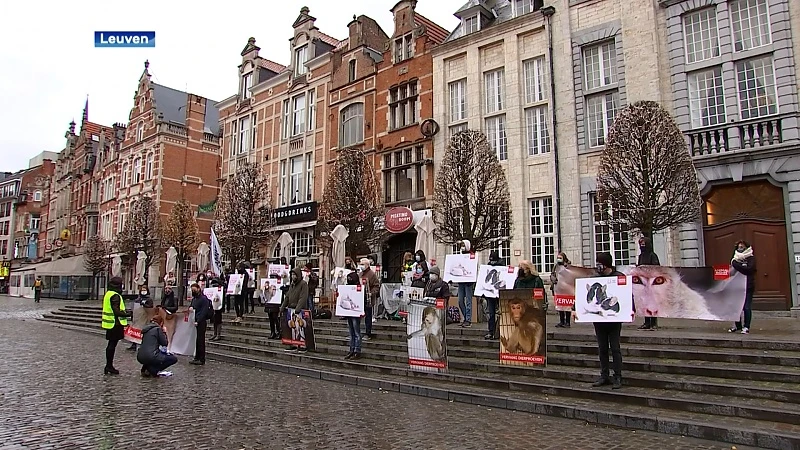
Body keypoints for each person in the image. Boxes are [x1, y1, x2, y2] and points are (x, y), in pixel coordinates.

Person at [576, 252, 628, 390]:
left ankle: (618, 376)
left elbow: (627, 296)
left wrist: (630, 309)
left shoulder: (618, 277)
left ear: (607, 264)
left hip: (614, 320)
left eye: (600, 263)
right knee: (602, 348)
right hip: (599, 320)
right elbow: (583, 296)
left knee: (615, 348)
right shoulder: (595, 279)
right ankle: (604, 375)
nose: (598, 266)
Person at [101, 277, 131, 375]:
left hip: (110, 323)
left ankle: (108, 365)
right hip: (115, 323)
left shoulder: (108, 294)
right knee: (112, 345)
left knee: (111, 345)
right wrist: (128, 314)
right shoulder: (115, 295)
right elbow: (116, 311)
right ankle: (109, 366)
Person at [729, 240, 756, 334]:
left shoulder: (751, 258)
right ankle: (737, 326)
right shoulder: (734, 258)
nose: (740, 248)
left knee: (746, 307)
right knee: (736, 307)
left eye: (742, 247)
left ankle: (746, 327)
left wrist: (737, 265)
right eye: (739, 247)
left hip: (748, 286)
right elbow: (731, 271)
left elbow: (748, 269)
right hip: (737, 286)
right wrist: (738, 265)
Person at [281, 267, 309, 352]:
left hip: (299, 310)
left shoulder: (303, 284)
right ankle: (295, 344)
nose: (293, 276)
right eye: (292, 275)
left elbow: (303, 297)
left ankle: (302, 345)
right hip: (291, 309)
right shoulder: (292, 284)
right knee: (293, 328)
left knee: (300, 327)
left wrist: (298, 308)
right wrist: (282, 306)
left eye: (294, 274)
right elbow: (288, 296)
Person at [637, 237, 661, 331]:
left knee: (652, 303)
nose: (642, 246)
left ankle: (654, 323)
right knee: (644, 303)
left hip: (651, 282)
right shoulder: (641, 256)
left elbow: (656, 267)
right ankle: (647, 322)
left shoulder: (652, 255)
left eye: (643, 244)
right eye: (641, 244)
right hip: (643, 283)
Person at [484, 250, 505, 340]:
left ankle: (501, 331)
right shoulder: (489, 266)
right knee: (491, 313)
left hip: (499, 293)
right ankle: (491, 331)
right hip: (490, 293)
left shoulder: (501, 266)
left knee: (501, 313)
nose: (491, 262)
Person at [344, 271, 364, 360]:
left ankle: (357, 350)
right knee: (352, 332)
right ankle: (352, 349)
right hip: (350, 312)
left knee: (356, 332)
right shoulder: (348, 287)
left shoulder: (359, 288)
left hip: (355, 313)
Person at [189, 283, 211, 365]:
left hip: (200, 322)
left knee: (200, 341)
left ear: (198, 289)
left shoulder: (204, 299)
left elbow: (204, 312)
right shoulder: (194, 299)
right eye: (192, 290)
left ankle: (201, 358)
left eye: (194, 290)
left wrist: (198, 320)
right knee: (196, 340)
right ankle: (196, 357)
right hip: (194, 321)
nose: (193, 291)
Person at [456, 239, 476, 328]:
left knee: (468, 301)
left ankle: (468, 319)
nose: (462, 247)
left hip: (468, 282)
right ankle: (465, 317)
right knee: (460, 301)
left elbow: (473, 268)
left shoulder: (472, 256)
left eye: (463, 245)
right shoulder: (460, 256)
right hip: (461, 281)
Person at [359, 258, 380, 341]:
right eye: (360, 264)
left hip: (368, 299)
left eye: (362, 264)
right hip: (360, 298)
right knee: (359, 316)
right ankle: (359, 332)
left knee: (368, 316)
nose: (361, 266)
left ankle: (368, 333)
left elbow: (377, 285)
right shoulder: (360, 274)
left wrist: (371, 293)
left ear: (367, 265)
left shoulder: (372, 274)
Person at [551, 252, 572, 328]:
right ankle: (561, 321)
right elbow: (552, 274)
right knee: (560, 306)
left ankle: (567, 322)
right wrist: (553, 279)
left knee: (567, 305)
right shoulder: (556, 266)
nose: (558, 259)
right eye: (558, 257)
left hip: (566, 289)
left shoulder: (568, 266)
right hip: (558, 288)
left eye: (560, 258)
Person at [209, 277, 224, 341]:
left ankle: (218, 334)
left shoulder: (221, 290)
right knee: (214, 321)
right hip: (213, 307)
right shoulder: (213, 289)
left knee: (218, 321)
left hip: (219, 307)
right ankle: (215, 334)